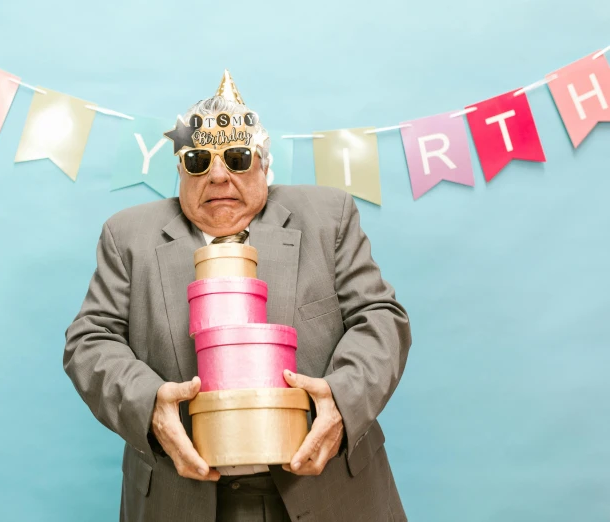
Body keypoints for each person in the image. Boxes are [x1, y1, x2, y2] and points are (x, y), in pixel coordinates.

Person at [63, 70, 412, 522]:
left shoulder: (328, 217)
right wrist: (148, 406)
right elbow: (90, 341)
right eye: (198, 162)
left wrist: (341, 402)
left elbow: (380, 316)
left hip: (328, 492)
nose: (219, 176)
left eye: (237, 156)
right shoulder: (127, 237)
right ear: (180, 171)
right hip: (182, 496)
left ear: (265, 165)